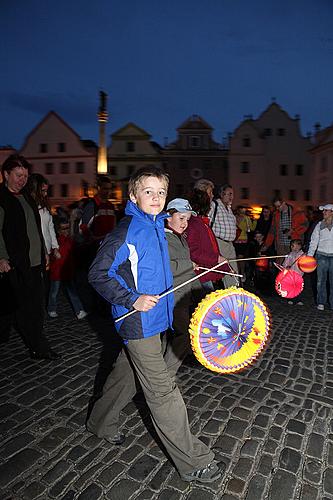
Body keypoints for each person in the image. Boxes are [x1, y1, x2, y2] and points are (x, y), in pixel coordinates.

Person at [86, 166, 222, 483]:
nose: (156, 198)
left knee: (126, 373)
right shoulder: (127, 230)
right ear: (133, 195)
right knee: (162, 392)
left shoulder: (157, 225)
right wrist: (131, 298)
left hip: (155, 319)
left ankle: (99, 422)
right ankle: (194, 461)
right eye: (148, 191)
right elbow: (97, 274)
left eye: (161, 192)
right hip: (137, 321)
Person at [0, 154, 59, 359]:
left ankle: (38, 345)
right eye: (18, 175)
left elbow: (36, 229)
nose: (22, 179)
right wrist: (2, 257)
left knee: (35, 308)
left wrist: (45, 252)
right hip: (16, 265)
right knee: (18, 309)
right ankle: (37, 345)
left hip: (35, 264)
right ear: (6, 174)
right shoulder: (2, 199)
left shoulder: (26, 197)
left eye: (25, 175)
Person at [164, 198, 202, 377]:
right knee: (187, 335)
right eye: (181, 218)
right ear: (168, 216)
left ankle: (158, 374)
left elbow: (189, 272)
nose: (185, 223)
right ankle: (164, 377)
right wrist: (189, 264)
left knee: (170, 338)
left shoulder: (182, 239)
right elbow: (166, 268)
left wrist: (200, 291)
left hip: (184, 297)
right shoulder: (162, 238)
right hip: (171, 298)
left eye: (187, 219)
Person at [186, 189, 231, 292]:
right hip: (200, 273)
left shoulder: (201, 223)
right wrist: (216, 259)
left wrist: (222, 264)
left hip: (204, 272)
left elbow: (211, 247)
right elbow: (193, 251)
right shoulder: (194, 224)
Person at [47, 220, 88, 320]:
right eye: (63, 228)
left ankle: (79, 311)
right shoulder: (55, 241)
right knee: (54, 292)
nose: (66, 230)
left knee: (72, 292)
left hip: (67, 270)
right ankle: (51, 309)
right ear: (59, 230)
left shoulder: (69, 239)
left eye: (67, 228)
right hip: (57, 271)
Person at [208, 184, 239, 288]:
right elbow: (206, 221)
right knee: (229, 270)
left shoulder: (229, 209)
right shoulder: (214, 205)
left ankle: (233, 291)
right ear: (222, 194)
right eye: (229, 194)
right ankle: (232, 293)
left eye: (232, 194)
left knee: (233, 271)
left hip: (229, 244)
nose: (231, 197)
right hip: (219, 242)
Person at [26, 173, 61, 260]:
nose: (45, 194)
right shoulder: (28, 207)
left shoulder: (45, 207)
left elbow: (50, 227)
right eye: (43, 191)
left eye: (46, 191)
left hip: (47, 251)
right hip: (34, 253)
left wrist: (55, 247)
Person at [263, 197, 308, 263]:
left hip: (294, 244)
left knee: (293, 264)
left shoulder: (297, 212)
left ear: (284, 203)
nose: (277, 208)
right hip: (280, 244)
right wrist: (267, 244)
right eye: (276, 207)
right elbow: (272, 231)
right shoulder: (276, 214)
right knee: (280, 264)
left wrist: (293, 231)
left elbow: (305, 225)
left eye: (278, 206)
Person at [307, 204, 333, 311]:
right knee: (320, 281)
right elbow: (313, 241)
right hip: (321, 255)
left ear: (332, 212)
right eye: (323, 211)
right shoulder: (319, 225)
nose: (323, 213)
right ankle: (321, 302)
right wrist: (309, 256)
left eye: (326, 211)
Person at [234, 206, 257, 283]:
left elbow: (251, 229)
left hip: (243, 240)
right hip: (234, 239)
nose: (242, 212)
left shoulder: (246, 218)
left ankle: (241, 273)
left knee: (240, 257)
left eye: (244, 211)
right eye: (241, 211)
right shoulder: (234, 217)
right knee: (236, 258)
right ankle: (238, 273)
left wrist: (254, 221)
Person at [282, 239, 305, 305]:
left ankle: (298, 299)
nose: (291, 247)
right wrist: (286, 267)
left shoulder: (302, 255)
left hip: (299, 274)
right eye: (291, 246)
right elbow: (285, 263)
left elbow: (305, 264)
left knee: (299, 287)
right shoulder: (290, 254)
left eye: (293, 246)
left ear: (299, 246)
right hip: (291, 274)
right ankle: (291, 298)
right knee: (291, 287)